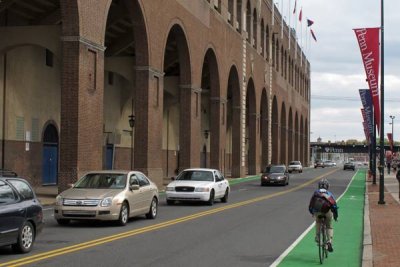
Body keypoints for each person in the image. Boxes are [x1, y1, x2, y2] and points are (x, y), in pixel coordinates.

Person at [308, 179, 338, 252]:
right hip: (327, 212)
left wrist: (312, 213)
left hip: (318, 212)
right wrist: (335, 216)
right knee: (329, 226)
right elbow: (334, 205)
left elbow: (311, 205)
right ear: (327, 186)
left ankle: (318, 237)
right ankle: (329, 241)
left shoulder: (316, 193)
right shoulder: (329, 193)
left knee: (318, 222)